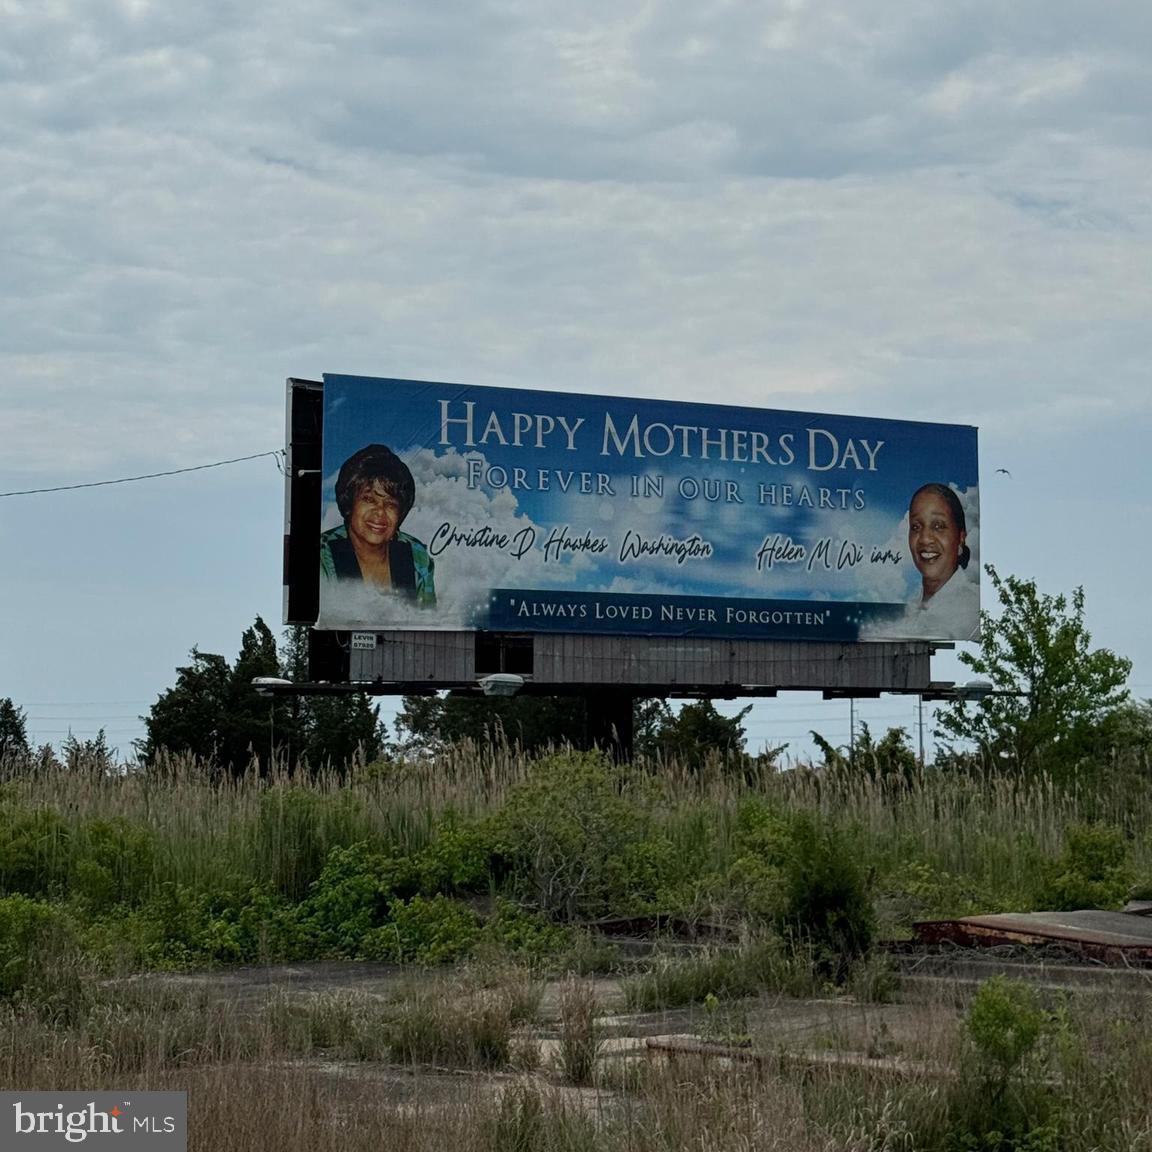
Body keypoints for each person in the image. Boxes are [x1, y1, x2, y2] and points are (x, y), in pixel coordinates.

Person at [319, 444, 435, 606]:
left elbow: (428, 620)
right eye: (369, 499)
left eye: (391, 504)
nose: (380, 513)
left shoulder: (417, 556)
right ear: (349, 502)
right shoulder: (322, 555)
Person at [907, 482, 970, 605]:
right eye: (916, 527)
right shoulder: (912, 607)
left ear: (960, 538)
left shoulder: (967, 607)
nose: (925, 538)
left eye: (938, 526)